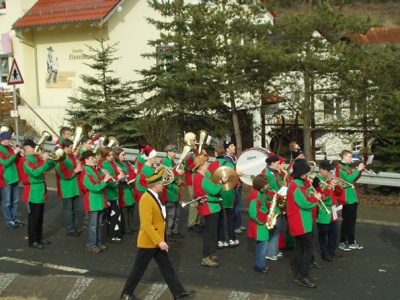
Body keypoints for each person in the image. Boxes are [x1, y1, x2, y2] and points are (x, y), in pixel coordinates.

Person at [120, 168, 195, 300]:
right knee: (138, 269)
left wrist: (161, 240)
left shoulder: (154, 197)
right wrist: (159, 241)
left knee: (167, 267)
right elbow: (147, 224)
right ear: (155, 185)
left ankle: (178, 292)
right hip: (149, 242)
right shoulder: (146, 199)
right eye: (161, 183)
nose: (163, 185)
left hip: (157, 241)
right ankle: (126, 294)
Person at [287, 159, 322, 288]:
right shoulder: (296, 185)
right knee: (308, 249)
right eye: (306, 173)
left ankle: (298, 273)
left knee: (300, 249)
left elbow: (306, 194)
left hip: (302, 221)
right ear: (301, 173)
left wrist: (314, 187)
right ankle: (304, 276)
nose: (307, 175)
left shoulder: (298, 183)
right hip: (301, 222)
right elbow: (305, 203)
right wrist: (316, 198)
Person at [19, 138, 56, 249]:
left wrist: (51, 160)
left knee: (40, 216)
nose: (35, 149)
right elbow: (35, 172)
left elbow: (46, 167)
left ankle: (39, 237)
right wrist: (44, 161)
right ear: (26, 148)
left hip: (40, 189)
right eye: (32, 147)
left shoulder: (35, 157)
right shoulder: (25, 160)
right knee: (34, 217)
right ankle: (32, 240)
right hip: (32, 190)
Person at [193, 155, 227, 267]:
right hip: (209, 209)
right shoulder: (201, 178)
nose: (208, 165)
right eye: (206, 163)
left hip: (210, 207)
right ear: (202, 166)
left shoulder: (202, 176)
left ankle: (210, 253)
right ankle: (206, 257)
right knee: (209, 233)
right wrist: (221, 182)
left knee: (211, 233)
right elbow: (214, 190)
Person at [81, 150, 112, 253]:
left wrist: (106, 178)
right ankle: (91, 244)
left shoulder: (94, 170)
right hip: (92, 200)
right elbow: (93, 187)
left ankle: (98, 242)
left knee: (99, 224)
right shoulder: (86, 171)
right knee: (93, 225)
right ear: (86, 160)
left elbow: (99, 183)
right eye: (92, 158)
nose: (94, 160)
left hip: (99, 199)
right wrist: (104, 181)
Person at [208, 144, 238, 248]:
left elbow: (209, 181)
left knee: (220, 217)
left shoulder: (211, 166)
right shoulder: (230, 165)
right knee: (231, 216)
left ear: (215, 153)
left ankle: (221, 240)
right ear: (224, 153)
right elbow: (236, 182)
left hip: (218, 193)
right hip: (229, 192)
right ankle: (232, 239)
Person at [313, 160, 343, 262]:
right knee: (323, 232)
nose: (329, 172)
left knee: (334, 231)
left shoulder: (328, 179)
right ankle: (324, 252)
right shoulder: (317, 180)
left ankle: (332, 250)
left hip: (333, 208)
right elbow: (322, 196)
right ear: (321, 169)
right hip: (323, 209)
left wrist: (338, 186)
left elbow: (337, 194)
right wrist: (330, 185)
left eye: (330, 170)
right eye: (327, 170)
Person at [336, 150, 365, 251]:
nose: (351, 159)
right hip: (347, 197)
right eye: (349, 156)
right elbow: (348, 180)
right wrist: (357, 170)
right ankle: (343, 241)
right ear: (343, 157)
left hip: (353, 197)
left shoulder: (347, 167)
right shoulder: (340, 168)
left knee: (352, 221)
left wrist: (359, 171)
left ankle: (351, 241)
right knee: (347, 221)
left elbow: (354, 179)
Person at [55, 139, 82, 236]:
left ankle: (74, 226)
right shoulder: (60, 157)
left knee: (75, 209)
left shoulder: (71, 156)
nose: (72, 149)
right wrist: (75, 170)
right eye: (70, 147)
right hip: (66, 188)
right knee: (68, 210)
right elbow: (63, 174)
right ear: (65, 147)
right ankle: (70, 229)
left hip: (74, 186)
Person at [99, 147, 125, 243]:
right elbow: (107, 181)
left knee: (115, 215)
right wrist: (117, 178)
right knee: (112, 215)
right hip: (109, 194)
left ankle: (114, 234)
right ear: (105, 156)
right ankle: (112, 235)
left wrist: (121, 176)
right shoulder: (104, 166)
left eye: (112, 154)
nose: (112, 157)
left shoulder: (112, 164)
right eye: (109, 155)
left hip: (115, 193)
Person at [160, 144, 185, 241]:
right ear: (169, 152)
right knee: (171, 214)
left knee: (177, 214)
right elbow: (166, 177)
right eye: (174, 152)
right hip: (169, 192)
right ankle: (168, 233)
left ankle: (175, 231)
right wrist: (177, 174)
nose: (176, 153)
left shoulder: (171, 161)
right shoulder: (164, 161)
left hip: (175, 191)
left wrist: (179, 180)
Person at [261, 155, 284, 261]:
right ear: (272, 163)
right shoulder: (265, 173)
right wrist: (276, 195)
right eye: (278, 163)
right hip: (271, 203)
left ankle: (274, 249)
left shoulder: (276, 172)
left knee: (278, 227)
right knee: (274, 227)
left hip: (278, 202)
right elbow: (265, 189)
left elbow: (281, 184)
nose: (279, 165)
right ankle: (270, 252)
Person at [0, 131, 24, 228]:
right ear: (2, 140)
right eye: (8, 139)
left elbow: (17, 160)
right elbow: (5, 162)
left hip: (14, 177)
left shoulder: (10, 148)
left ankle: (15, 218)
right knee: (7, 201)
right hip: (6, 179)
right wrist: (14, 153)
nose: (10, 141)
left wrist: (20, 153)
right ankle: (8, 220)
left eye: (10, 139)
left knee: (15, 200)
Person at [248, 174, 271, 273]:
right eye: (266, 184)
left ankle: (260, 265)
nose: (268, 186)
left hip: (260, 224)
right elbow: (254, 213)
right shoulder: (256, 195)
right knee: (262, 247)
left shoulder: (258, 193)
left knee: (261, 246)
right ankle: (260, 266)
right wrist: (266, 218)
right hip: (260, 225)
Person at [223, 141, 246, 234]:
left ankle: (239, 224)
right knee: (235, 206)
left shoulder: (234, 157)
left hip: (238, 184)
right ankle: (235, 226)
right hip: (234, 185)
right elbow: (229, 172)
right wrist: (237, 174)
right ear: (227, 149)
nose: (234, 147)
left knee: (239, 206)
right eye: (232, 146)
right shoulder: (227, 159)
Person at [114, 147, 137, 235]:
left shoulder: (125, 163)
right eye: (122, 155)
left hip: (129, 188)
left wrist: (133, 172)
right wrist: (132, 173)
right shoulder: (117, 165)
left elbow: (130, 173)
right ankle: (125, 227)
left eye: (125, 154)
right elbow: (124, 176)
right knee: (124, 210)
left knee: (131, 208)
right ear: (117, 156)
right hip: (123, 189)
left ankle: (131, 226)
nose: (125, 156)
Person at [184, 132, 203, 233]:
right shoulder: (188, 151)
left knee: (199, 200)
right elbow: (188, 166)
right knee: (193, 202)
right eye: (193, 140)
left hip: (196, 177)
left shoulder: (194, 150)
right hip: (191, 178)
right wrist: (198, 162)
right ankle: (192, 223)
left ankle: (197, 221)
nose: (196, 141)